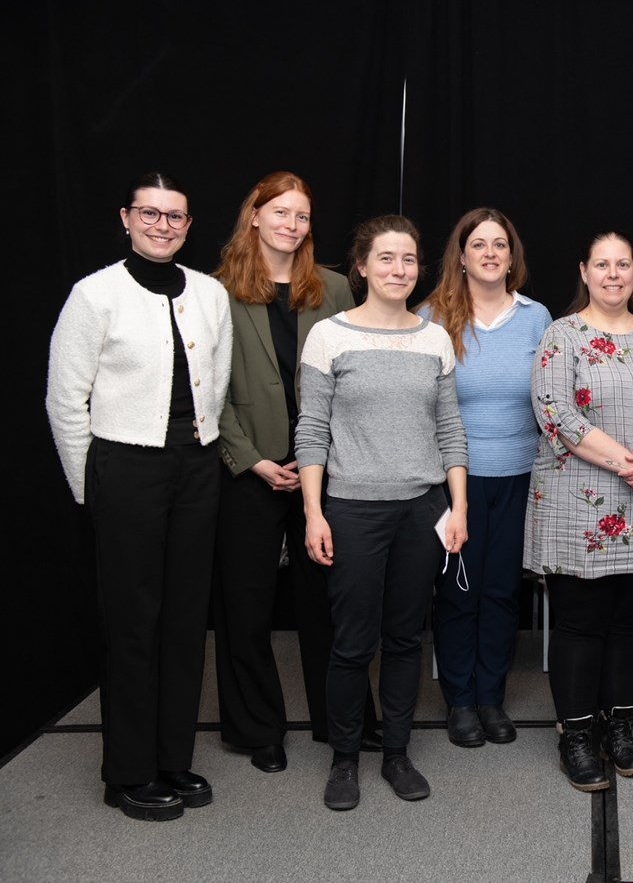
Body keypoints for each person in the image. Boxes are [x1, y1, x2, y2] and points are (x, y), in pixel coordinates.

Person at [46, 171, 231, 821]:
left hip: (197, 464)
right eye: (149, 213)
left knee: (185, 619)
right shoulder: (94, 294)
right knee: (133, 623)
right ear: (126, 218)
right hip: (124, 468)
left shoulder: (209, 293)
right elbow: (64, 400)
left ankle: (172, 758)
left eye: (174, 216)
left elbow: (218, 383)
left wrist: (203, 448)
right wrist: (91, 488)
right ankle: (127, 773)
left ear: (188, 225)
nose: (162, 225)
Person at [294, 215, 469, 811]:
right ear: (362, 267)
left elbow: (450, 429)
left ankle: (396, 753)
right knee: (352, 643)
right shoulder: (328, 337)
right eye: (387, 258)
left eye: (409, 259)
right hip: (352, 511)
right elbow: (312, 431)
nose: (399, 269)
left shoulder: (434, 339)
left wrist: (459, 508)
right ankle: (345, 759)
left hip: (422, 511)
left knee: (404, 640)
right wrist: (314, 513)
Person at [212, 171, 384, 775]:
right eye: (280, 212)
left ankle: (344, 719)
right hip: (248, 468)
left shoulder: (333, 288)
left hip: (325, 468)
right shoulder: (215, 292)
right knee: (246, 606)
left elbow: (360, 377)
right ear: (255, 215)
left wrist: (328, 454)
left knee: (331, 603)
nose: (291, 224)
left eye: (302, 215)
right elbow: (207, 390)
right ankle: (257, 729)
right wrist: (250, 459)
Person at [524, 232, 633, 792]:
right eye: (602, 264)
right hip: (579, 503)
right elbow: (555, 413)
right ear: (584, 271)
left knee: (629, 623)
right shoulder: (562, 335)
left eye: (622, 264)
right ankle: (576, 735)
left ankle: (618, 727)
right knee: (580, 623)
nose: (613, 274)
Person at [419, 208, 552, 748]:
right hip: (456, 481)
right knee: (458, 591)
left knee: (501, 591)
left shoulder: (536, 317)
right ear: (462, 255)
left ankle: (491, 697)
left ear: (512, 256)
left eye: (500, 244)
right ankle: (460, 701)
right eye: (479, 244)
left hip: (520, 477)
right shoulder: (431, 317)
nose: (491, 253)